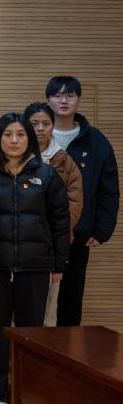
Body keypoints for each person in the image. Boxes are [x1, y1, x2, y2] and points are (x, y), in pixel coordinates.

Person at [0, 113, 70, 404]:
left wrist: (59, 263)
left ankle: (30, 392)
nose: (14, 140)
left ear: (30, 138)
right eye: (7, 134)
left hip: (35, 266)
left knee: (32, 333)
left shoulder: (47, 175)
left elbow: (60, 222)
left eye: (20, 134)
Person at [46, 76, 119, 327]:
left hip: (77, 235)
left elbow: (109, 190)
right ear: (48, 100)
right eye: (57, 95)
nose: (63, 100)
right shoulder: (35, 135)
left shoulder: (96, 140)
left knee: (70, 301)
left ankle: (67, 351)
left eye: (70, 95)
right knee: (36, 303)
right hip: (37, 235)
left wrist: (102, 230)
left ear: (79, 100)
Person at [24, 102, 84, 326]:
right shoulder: (13, 157)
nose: (40, 128)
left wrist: (55, 231)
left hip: (52, 244)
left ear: (53, 126)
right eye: (34, 123)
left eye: (46, 123)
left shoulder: (65, 160)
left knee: (49, 308)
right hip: (19, 243)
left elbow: (75, 201)